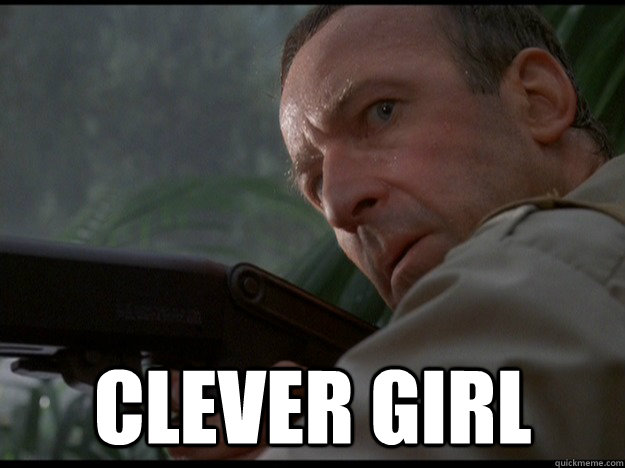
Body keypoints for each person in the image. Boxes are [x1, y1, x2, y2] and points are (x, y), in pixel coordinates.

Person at [170, 5, 625, 459]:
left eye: (381, 113)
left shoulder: (563, 261)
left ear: (538, 99)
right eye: (318, 183)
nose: (338, 206)